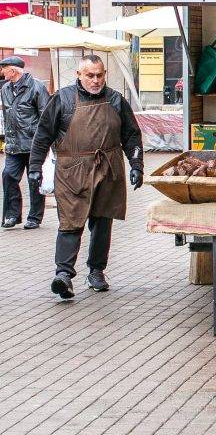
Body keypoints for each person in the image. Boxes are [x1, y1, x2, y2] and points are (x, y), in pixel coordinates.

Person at [28, 55, 144, 299]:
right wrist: (35, 166)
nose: (95, 80)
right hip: (72, 171)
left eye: (99, 75)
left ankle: (96, 271)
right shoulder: (63, 98)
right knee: (71, 221)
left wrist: (136, 164)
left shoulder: (115, 100)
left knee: (103, 222)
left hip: (108, 169)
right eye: (90, 75)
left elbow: (132, 135)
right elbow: (43, 135)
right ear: (79, 75)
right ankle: (64, 275)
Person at [1, 56, 48, 229]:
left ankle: (35, 217)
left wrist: (45, 141)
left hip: (33, 144)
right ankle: (12, 215)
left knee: (34, 179)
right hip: (14, 145)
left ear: (13, 71)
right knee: (8, 176)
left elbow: (45, 116)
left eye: (3, 68)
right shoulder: (5, 88)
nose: (2, 71)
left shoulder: (36, 87)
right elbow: (7, 115)